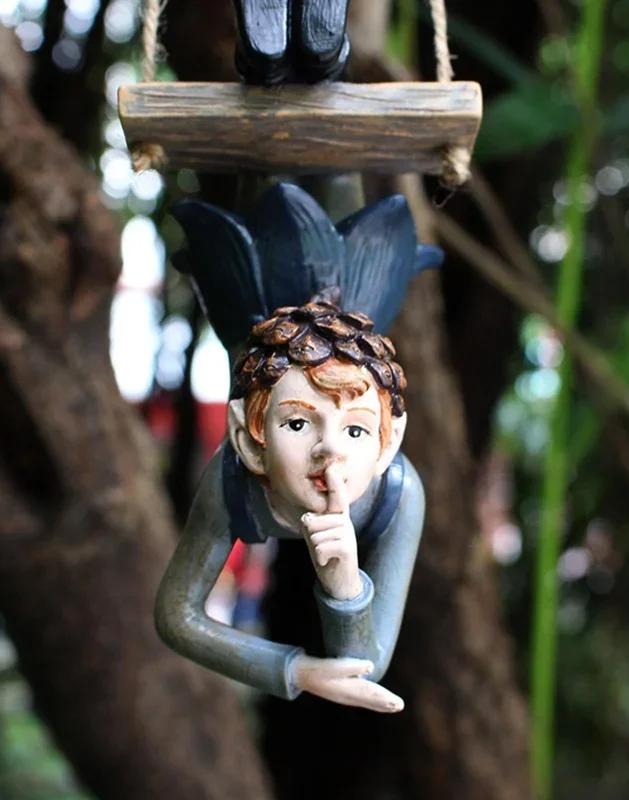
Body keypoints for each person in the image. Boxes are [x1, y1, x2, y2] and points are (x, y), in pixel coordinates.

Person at [155, 183, 439, 712]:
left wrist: (344, 584)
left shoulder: (397, 491)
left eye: (356, 430)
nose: (329, 450)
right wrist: (294, 669)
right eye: (298, 424)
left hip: (271, 287)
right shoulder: (234, 480)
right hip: (261, 290)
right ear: (248, 440)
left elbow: (366, 666)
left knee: (329, 183)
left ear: (388, 441)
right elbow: (176, 616)